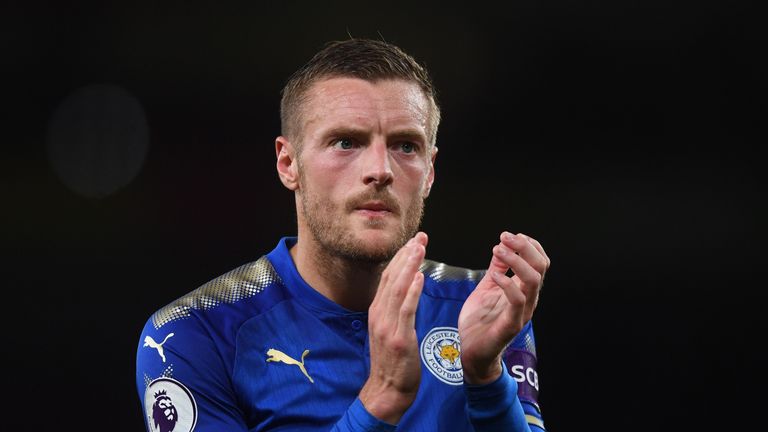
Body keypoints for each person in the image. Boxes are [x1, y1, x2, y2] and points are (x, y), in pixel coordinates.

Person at [136, 38, 550, 432]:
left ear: (430, 171)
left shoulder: (481, 307)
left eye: (406, 146)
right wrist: (380, 400)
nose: (380, 169)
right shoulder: (193, 333)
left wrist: (486, 378)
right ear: (288, 164)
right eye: (346, 142)